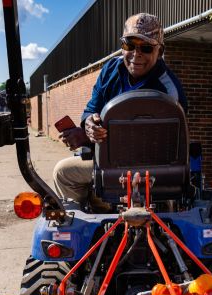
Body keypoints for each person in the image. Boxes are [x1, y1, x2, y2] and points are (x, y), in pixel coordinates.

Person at [53, 12, 188, 212]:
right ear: (122, 46)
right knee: (63, 172)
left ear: (160, 52)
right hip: (109, 165)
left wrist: (94, 140)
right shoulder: (109, 71)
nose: (136, 54)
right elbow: (91, 109)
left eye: (146, 47)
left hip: (152, 172)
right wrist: (88, 124)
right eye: (129, 45)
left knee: (66, 172)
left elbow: (170, 144)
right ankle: (85, 224)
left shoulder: (169, 92)